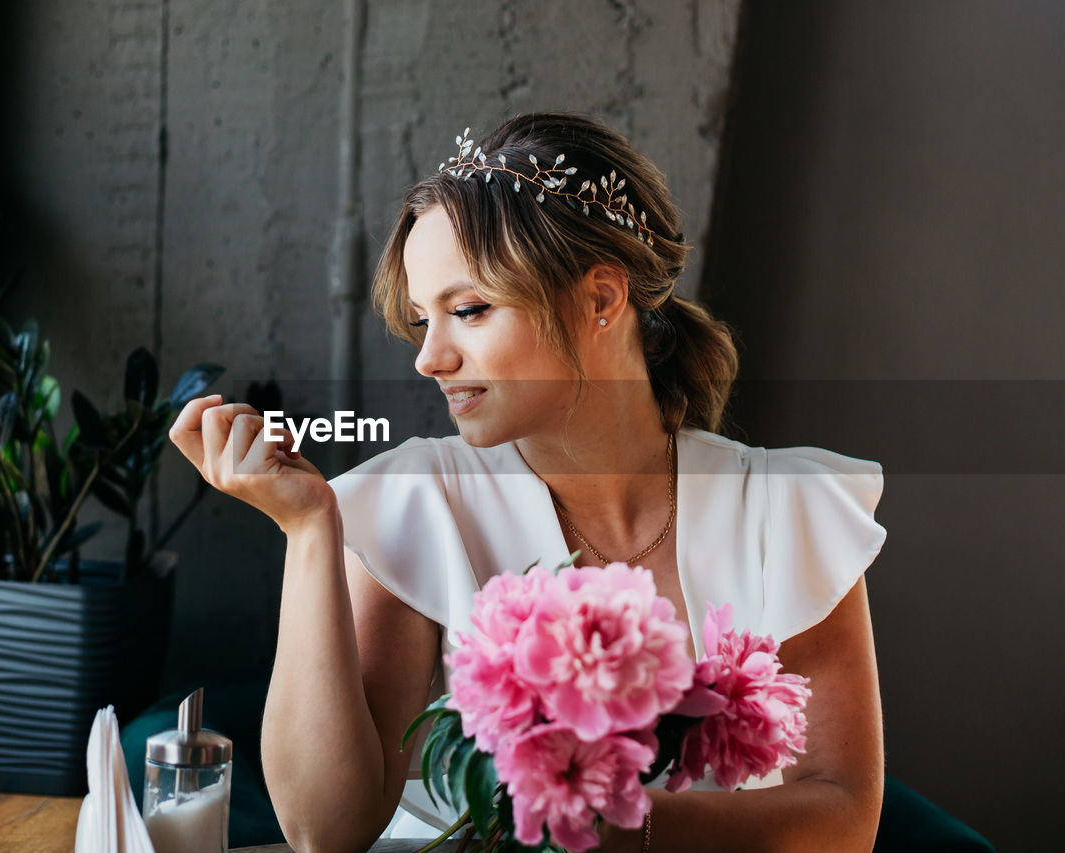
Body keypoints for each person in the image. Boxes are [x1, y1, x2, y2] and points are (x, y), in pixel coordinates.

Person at [170, 112, 887, 852]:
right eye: (423, 320)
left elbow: (842, 816)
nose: (430, 358)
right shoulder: (418, 501)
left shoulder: (786, 510)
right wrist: (310, 531)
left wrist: (615, 830)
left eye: (469, 310)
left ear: (602, 299)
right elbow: (325, 828)